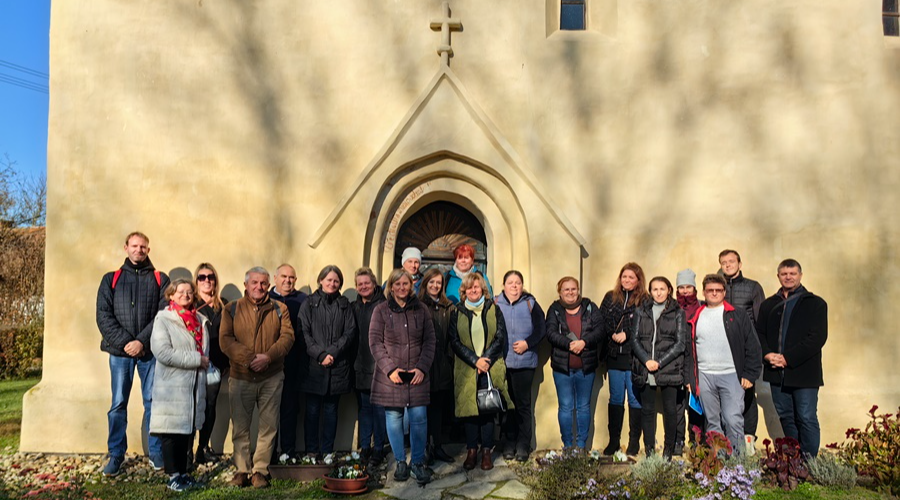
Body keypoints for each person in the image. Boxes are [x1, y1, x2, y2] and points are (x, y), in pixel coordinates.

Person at [96, 231, 169, 476]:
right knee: (118, 404)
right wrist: (128, 342)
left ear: (149, 249)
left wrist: (142, 342)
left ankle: (156, 452)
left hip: (149, 353)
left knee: (153, 402)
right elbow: (103, 316)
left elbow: (163, 314)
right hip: (120, 353)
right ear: (126, 247)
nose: (139, 250)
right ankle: (116, 454)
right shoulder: (111, 279)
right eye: (135, 246)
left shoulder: (161, 279)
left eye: (143, 246)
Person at [220, 267, 295, 488]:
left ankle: (260, 470)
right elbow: (225, 340)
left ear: (268, 285)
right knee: (240, 426)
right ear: (246, 285)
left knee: (268, 426)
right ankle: (242, 470)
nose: (259, 287)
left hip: (271, 376)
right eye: (254, 283)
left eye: (263, 283)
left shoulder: (280, 309)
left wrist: (268, 358)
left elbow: (287, 337)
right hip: (241, 376)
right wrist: (250, 359)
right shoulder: (231, 309)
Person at [369, 269, 436, 485]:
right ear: (390, 286)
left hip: (417, 376)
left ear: (411, 285)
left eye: (405, 284)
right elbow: (375, 343)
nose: (401, 288)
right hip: (391, 377)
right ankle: (400, 461)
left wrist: (422, 368)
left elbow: (430, 341)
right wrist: (389, 369)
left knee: (419, 419)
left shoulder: (422, 310)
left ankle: (417, 463)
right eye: (397, 284)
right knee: (394, 418)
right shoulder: (380, 310)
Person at [756, 259, 827, 458]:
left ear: (800, 275)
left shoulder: (815, 304)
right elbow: (759, 334)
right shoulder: (768, 305)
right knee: (786, 417)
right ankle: (794, 461)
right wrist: (767, 354)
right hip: (776, 373)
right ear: (778, 276)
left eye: (792, 273)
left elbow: (817, 338)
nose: (788, 277)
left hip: (804, 373)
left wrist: (788, 358)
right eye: (784, 274)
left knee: (806, 417)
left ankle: (809, 462)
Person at [686, 274, 761, 456]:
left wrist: (750, 375)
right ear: (704, 292)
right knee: (712, 421)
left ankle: (737, 463)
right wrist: (690, 378)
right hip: (704, 376)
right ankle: (718, 462)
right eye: (710, 290)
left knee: (732, 419)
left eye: (718, 290)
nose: (714, 293)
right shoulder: (696, 316)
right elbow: (689, 351)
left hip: (731, 375)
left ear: (724, 292)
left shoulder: (737, 315)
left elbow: (752, 345)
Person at [149, 279, 209, 492]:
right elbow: (162, 352)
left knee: (186, 430)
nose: (185, 295)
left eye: (189, 292)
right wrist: (196, 360)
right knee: (170, 431)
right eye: (180, 292)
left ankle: (183, 473)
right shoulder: (164, 319)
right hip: (172, 384)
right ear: (171, 295)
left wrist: (201, 363)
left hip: (193, 385)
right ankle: (173, 476)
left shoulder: (200, 320)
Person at [449, 273, 513, 471]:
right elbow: (454, 341)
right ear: (464, 291)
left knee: (487, 410)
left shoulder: (493, 309)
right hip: (467, 369)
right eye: (469, 288)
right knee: (470, 412)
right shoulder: (457, 311)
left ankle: (486, 451)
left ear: (483, 289)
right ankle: (471, 451)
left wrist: (485, 360)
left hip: (489, 367)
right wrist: (474, 361)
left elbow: (500, 336)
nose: (473, 290)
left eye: (476, 287)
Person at [299, 265, 356, 457]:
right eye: (329, 279)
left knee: (331, 412)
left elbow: (349, 333)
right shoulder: (309, 303)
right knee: (312, 411)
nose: (332, 283)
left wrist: (332, 352)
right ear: (321, 280)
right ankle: (311, 451)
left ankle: (327, 451)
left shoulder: (345, 304)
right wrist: (320, 355)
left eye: (336, 280)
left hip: (337, 367)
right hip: (313, 368)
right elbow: (304, 333)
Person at [629, 277, 688, 459]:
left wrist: (660, 362)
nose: (659, 292)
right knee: (648, 410)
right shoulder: (641, 311)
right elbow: (635, 339)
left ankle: (668, 451)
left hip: (668, 367)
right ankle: (649, 451)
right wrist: (647, 360)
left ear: (669, 290)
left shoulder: (678, 312)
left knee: (670, 409)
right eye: (655, 289)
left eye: (662, 288)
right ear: (650, 291)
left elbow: (680, 343)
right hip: (646, 368)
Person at [545, 276, 603, 450]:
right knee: (565, 407)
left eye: (573, 289)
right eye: (566, 289)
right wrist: (569, 344)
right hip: (563, 369)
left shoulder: (590, 307)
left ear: (578, 290)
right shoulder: (554, 309)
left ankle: (581, 447)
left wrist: (584, 342)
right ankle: (568, 446)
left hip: (586, 368)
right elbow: (550, 332)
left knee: (584, 407)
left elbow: (601, 330)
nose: (570, 292)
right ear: (560, 292)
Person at [718, 249, 766, 449]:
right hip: (721, 349)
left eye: (731, 261)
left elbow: (760, 321)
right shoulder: (716, 287)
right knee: (723, 394)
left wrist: (757, 353)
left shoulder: (753, 287)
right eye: (723, 262)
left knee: (747, 393)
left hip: (745, 349)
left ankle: (748, 439)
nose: (728, 265)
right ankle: (726, 440)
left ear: (740, 263)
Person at [496, 270, 545, 461]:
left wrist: (527, 343)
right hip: (502, 363)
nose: (514, 286)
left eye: (518, 283)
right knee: (507, 405)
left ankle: (523, 444)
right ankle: (508, 442)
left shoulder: (530, 303)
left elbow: (541, 329)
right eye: (510, 282)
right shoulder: (495, 303)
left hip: (525, 363)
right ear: (503, 285)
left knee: (523, 405)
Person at [600, 262, 648, 456]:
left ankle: (634, 441)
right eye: (624, 276)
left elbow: (645, 324)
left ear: (638, 280)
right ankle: (614, 441)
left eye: (631, 277)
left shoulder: (645, 300)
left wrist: (627, 333)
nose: (627, 280)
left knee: (635, 400)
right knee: (616, 399)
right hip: (614, 356)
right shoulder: (610, 297)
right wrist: (613, 333)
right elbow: (601, 320)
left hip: (634, 356)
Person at [268, 264, 308, 460]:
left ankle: (288, 452)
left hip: (294, 363)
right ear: (275, 278)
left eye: (291, 277)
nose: (287, 280)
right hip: (269, 364)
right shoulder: (265, 298)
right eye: (283, 276)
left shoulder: (303, 300)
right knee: (270, 411)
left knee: (290, 409)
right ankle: (270, 454)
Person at [417, 267, 456, 464]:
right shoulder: (417, 305)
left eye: (438, 283)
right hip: (423, 365)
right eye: (431, 282)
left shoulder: (448, 306)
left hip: (442, 365)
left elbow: (453, 336)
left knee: (439, 409)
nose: (435, 285)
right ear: (425, 283)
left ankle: (438, 446)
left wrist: (449, 358)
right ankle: (424, 448)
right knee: (423, 409)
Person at [351, 267, 388, 465]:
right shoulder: (353, 307)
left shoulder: (383, 305)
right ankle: (365, 446)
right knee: (364, 409)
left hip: (379, 367)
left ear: (374, 284)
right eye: (360, 284)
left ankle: (379, 448)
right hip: (359, 365)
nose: (364, 286)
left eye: (367, 283)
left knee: (379, 410)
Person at [193, 263, 228, 465]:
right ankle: (188, 451)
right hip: (193, 365)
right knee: (192, 407)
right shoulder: (190, 303)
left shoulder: (224, 305)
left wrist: (226, 364)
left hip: (215, 366)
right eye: (202, 277)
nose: (207, 280)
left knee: (210, 406)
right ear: (196, 280)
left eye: (211, 277)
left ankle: (203, 448)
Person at [675, 268, 703, 450]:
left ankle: (696, 440)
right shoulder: (672, 308)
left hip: (695, 361)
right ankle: (678, 440)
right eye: (681, 287)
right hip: (675, 361)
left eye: (689, 287)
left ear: (695, 289)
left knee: (695, 403)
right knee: (677, 404)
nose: (685, 291)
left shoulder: (702, 307)